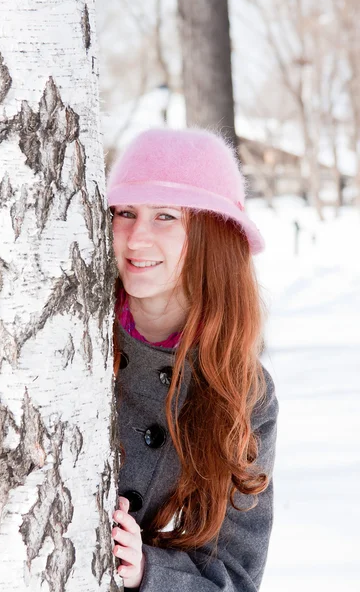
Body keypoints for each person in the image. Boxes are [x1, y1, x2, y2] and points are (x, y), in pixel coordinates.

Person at [106, 127, 279, 591]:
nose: (137, 237)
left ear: (212, 238)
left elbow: (237, 577)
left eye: (165, 216)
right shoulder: (68, 335)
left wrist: (149, 570)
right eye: (126, 212)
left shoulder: (242, 389)